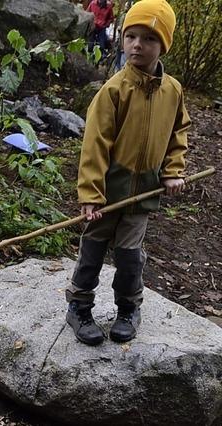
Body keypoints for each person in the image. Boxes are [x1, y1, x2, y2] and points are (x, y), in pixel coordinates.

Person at [66, 0, 190, 346]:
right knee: (92, 251)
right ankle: (78, 305)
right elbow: (95, 145)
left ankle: (128, 308)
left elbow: (179, 134)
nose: (137, 44)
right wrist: (91, 194)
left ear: (163, 44)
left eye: (148, 39)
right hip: (107, 193)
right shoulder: (114, 91)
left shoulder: (173, 91)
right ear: (122, 38)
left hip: (142, 195)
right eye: (131, 36)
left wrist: (172, 171)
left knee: (130, 257)